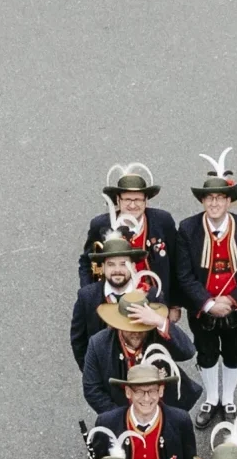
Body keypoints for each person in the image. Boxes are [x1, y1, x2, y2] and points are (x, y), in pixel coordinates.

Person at [172, 151, 237, 419]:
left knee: (234, 353)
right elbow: (183, 275)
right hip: (203, 308)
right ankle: (211, 398)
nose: (214, 203)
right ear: (202, 200)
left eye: (220, 198)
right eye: (209, 198)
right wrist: (208, 304)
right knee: (207, 353)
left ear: (229, 201)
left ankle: (229, 397)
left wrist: (232, 301)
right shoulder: (187, 229)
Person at [80, 269, 200, 416]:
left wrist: (160, 321)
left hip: (165, 411)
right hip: (120, 411)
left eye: (141, 326)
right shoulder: (98, 344)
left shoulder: (157, 333)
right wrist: (122, 418)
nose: (136, 332)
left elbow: (188, 351)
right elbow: (92, 389)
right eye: (129, 327)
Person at [78, 163, 176, 291]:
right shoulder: (100, 225)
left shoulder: (162, 221)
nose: (133, 205)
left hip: (155, 301)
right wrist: (89, 296)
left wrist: (175, 305)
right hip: (111, 302)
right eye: (127, 199)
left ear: (146, 200)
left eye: (138, 199)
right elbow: (86, 263)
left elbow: (176, 263)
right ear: (118, 200)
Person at [69, 236, 160, 367]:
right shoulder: (87, 296)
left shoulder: (151, 295)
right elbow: (78, 341)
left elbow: (162, 340)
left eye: (123, 264)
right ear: (103, 268)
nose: (117, 270)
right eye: (111, 264)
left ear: (134, 267)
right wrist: (91, 371)